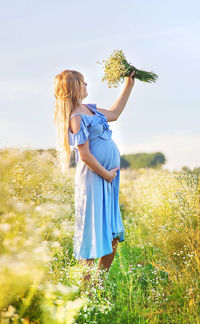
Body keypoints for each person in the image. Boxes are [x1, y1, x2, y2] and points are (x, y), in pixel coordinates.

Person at [54, 69, 135, 289]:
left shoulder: (91, 110)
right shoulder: (76, 117)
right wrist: (106, 173)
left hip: (108, 179)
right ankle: (87, 290)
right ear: (73, 88)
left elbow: (115, 113)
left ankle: (99, 284)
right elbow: (85, 155)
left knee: (112, 234)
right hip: (94, 179)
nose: (87, 83)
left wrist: (128, 85)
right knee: (93, 233)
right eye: (82, 81)